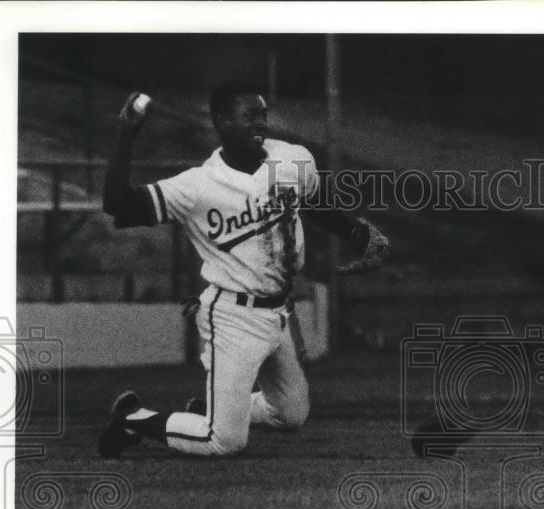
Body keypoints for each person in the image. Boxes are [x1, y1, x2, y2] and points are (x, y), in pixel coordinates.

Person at [97, 82, 389, 457]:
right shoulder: (197, 186)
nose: (260, 122)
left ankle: (216, 410)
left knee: (291, 415)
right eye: (249, 114)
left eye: (263, 114)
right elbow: (117, 204)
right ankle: (133, 417)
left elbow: (315, 202)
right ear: (221, 121)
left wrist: (355, 233)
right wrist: (126, 135)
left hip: (278, 312)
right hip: (233, 316)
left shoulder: (291, 158)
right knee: (224, 442)